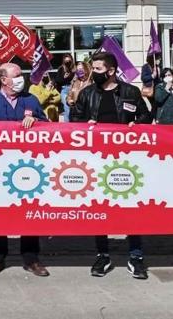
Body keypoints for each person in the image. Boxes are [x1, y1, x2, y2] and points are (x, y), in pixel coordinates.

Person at [70, 52, 151, 279]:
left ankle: (136, 256)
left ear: (111, 71)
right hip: (96, 160)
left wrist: (138, 123)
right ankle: (102, 255)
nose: (92, 73)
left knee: (131, 209)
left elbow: (147, 116)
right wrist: (85, 124)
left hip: (126, 162)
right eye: (92, 68)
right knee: (100, 209)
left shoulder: (130, 92)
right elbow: (74, 120)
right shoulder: (87, 93)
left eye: (97, 69)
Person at [0, 62, 49, 277]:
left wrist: (35, 120)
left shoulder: (31, 99)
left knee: (29, 212)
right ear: (4, 79)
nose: (21, 78)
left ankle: (31, 258)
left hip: (28, 167)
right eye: (16, 75)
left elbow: (49, 127)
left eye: (21, 75)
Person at [53, 53, 75, 121]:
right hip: (64, 89)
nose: (68, 63)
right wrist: (64, 77)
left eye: (69, 61)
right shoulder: (61, 68)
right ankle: (67, 124)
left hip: (73, 88)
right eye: (66, 61)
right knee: (66, 107)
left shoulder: (74, 68)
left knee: (75, 106)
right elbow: (57, 80)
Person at [141, 54, 162, 120]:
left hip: (157, 89)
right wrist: (152, 76)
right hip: (150, 89)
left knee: (155, 105)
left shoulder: (158, 67)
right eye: (158, 58)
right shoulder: (146, 66)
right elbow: (143, 78)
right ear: (153, 59)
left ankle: (153, 118)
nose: (159, 60)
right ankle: (151, 118)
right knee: (154, 105)